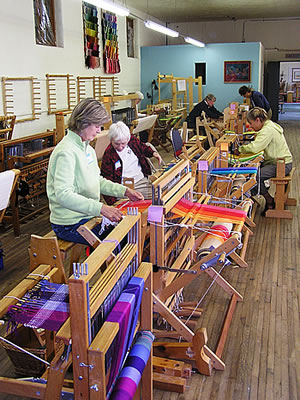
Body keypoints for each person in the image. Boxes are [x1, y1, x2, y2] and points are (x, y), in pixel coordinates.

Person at [46, 98, 144, 245]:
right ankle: (119, 267)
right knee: (121, 238)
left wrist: (124, 191)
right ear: (83, 122)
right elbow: (63, 195)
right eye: (97, 125)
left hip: (86, 215)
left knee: (129, 229)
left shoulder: (87, 149)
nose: (99, 130)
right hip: (69, 223)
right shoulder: (66, 152)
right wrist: (101, 208)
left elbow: (97, 180)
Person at [234, 107, 292, 215]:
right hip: (279, 162)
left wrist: (240, 150)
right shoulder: (269, 125)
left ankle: (269, 201)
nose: (250, 126)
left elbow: (255, 147)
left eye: (251, 123)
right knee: (253, 173)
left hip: (281, 165)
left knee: (255, 177)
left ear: (257, 120)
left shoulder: (267, 130)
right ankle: (248, 197)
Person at [101, 121, 162, 205]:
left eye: (123, 143)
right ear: (111, 140)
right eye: (116, 144)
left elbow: (143, 147)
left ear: (128, 139)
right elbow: (107, 180)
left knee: (159, 196)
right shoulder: (109, 155)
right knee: (132, 206)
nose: (120, 147)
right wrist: (113, 204)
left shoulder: (132, 141)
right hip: (124, 187)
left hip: (140, 181)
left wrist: (153, 153)